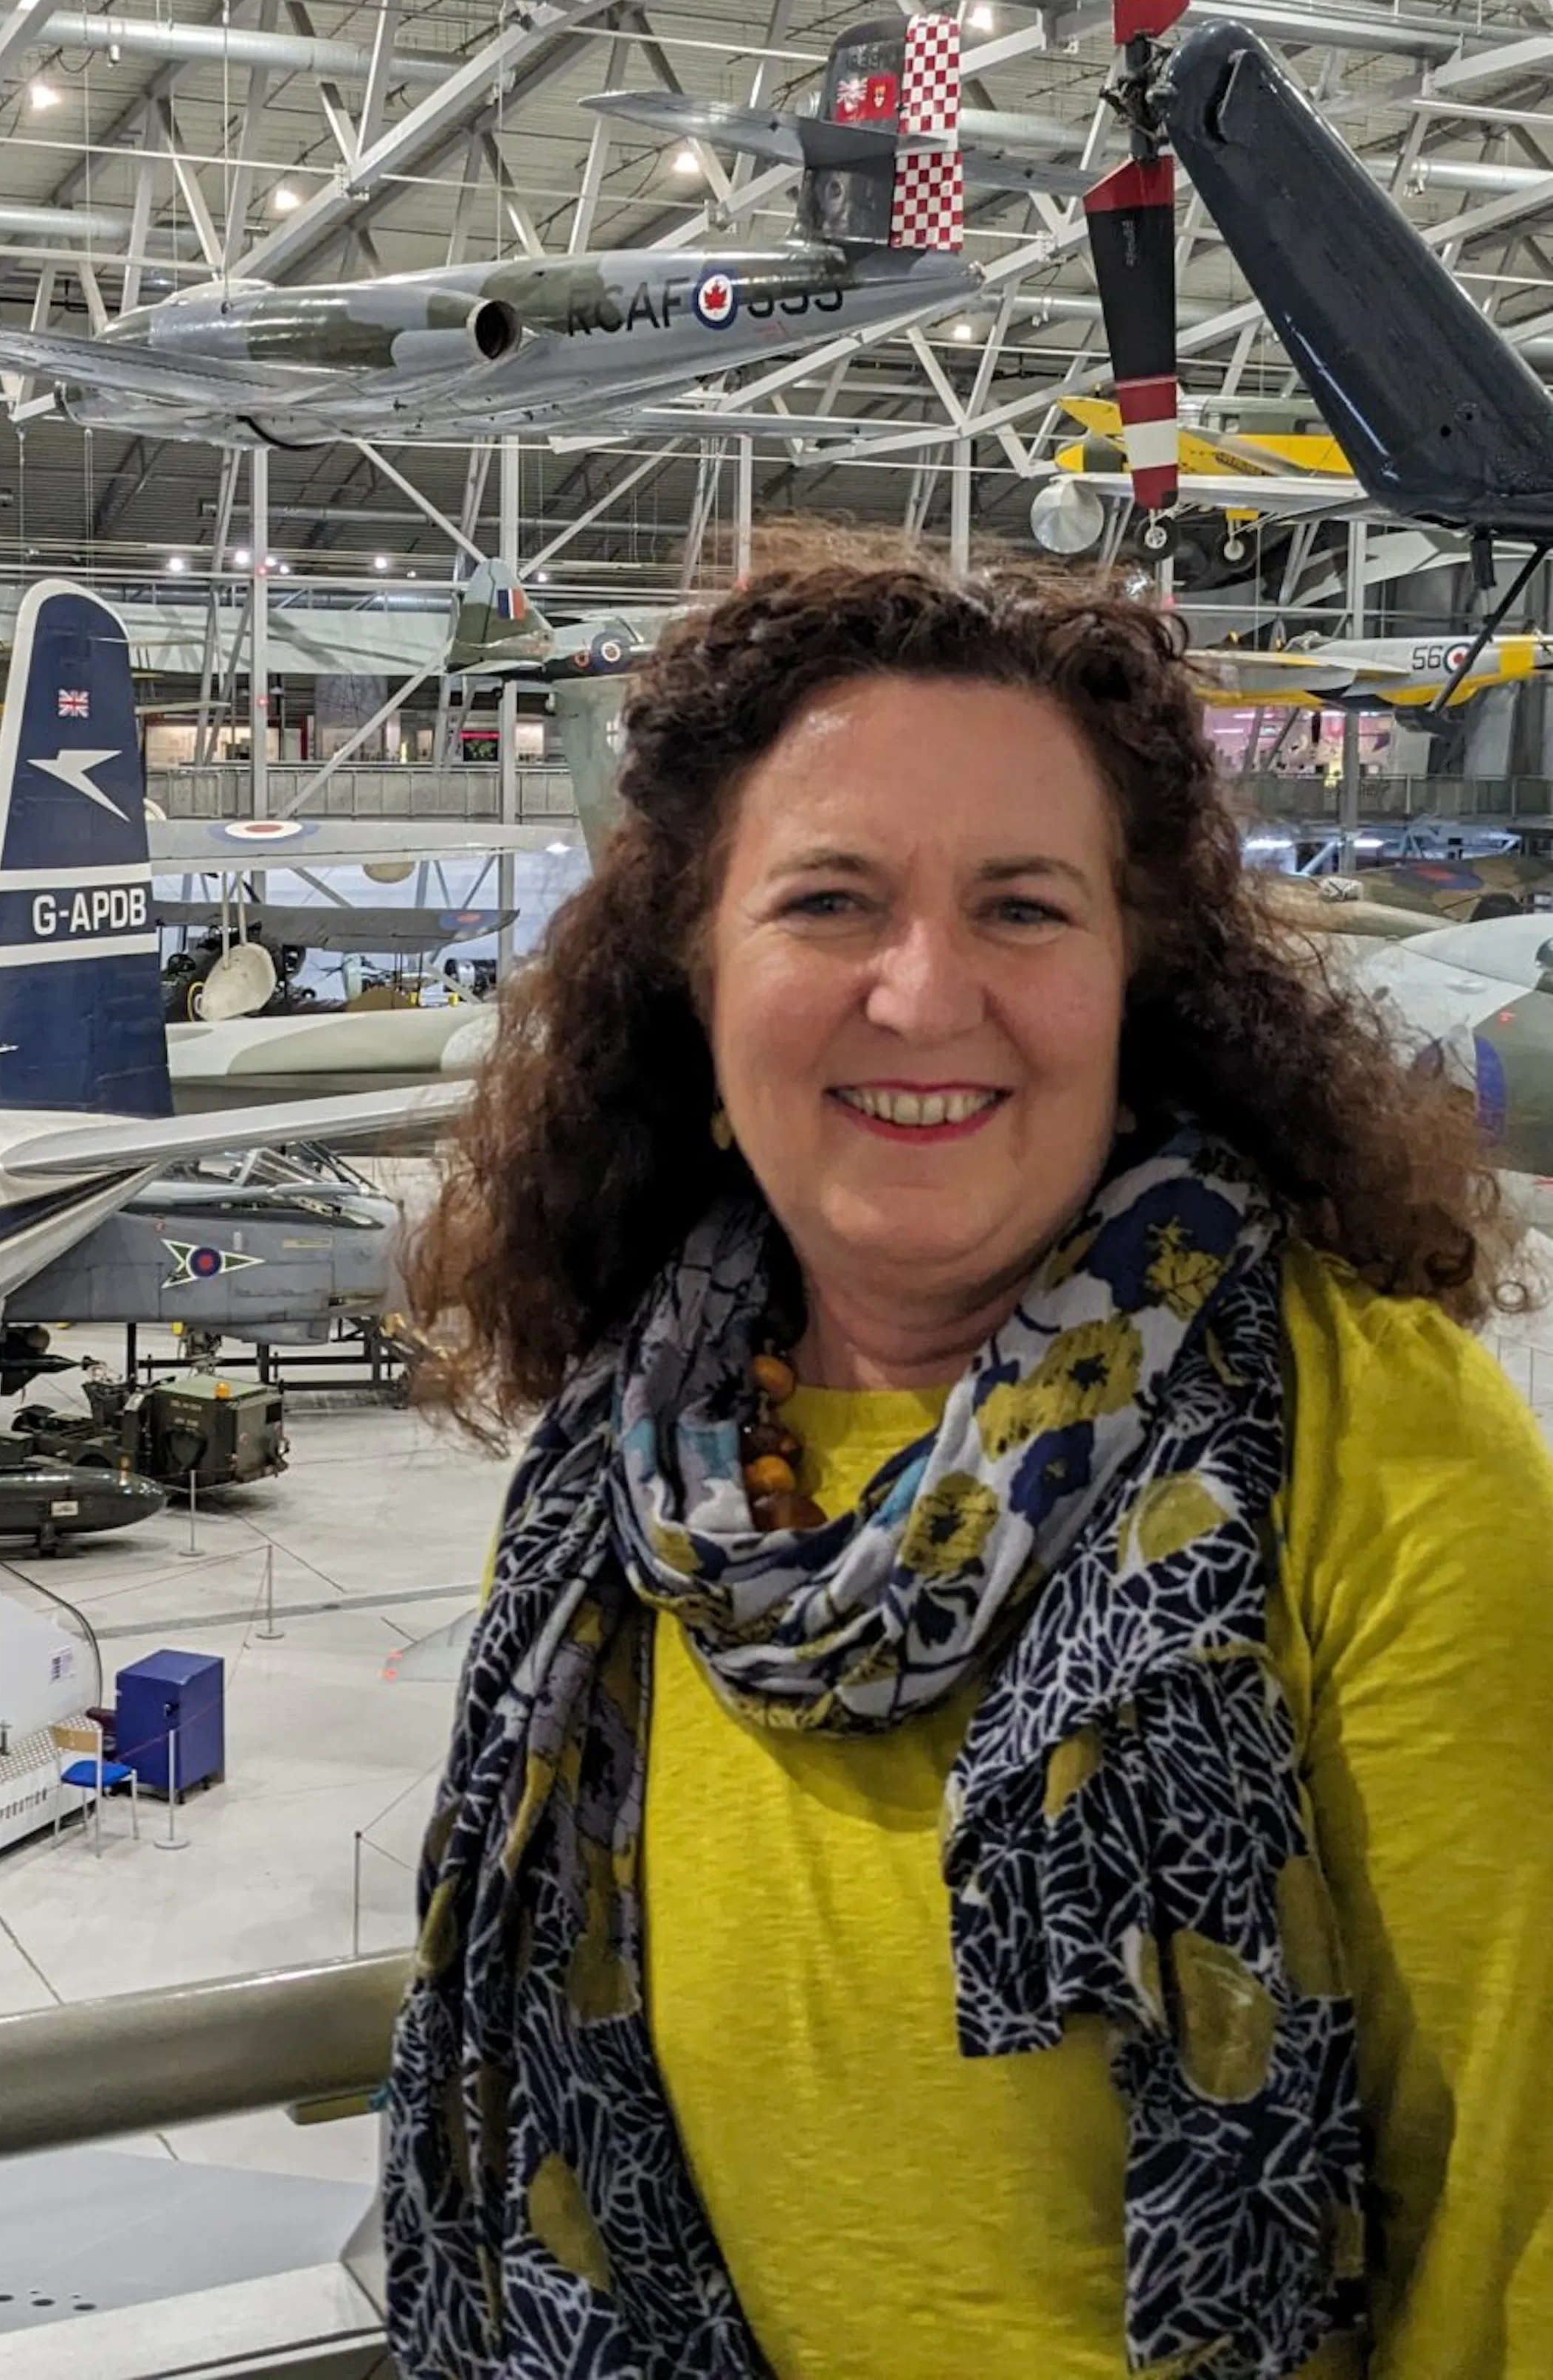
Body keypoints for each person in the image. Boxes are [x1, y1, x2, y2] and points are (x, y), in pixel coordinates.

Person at [385, 556, 1553, 2379]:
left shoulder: (1376, 1448)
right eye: (831, 902)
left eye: (1022, 909)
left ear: (1132, 981)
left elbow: (1516, 2221)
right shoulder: (615, 1494)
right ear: (695, 979)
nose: (925, 998)